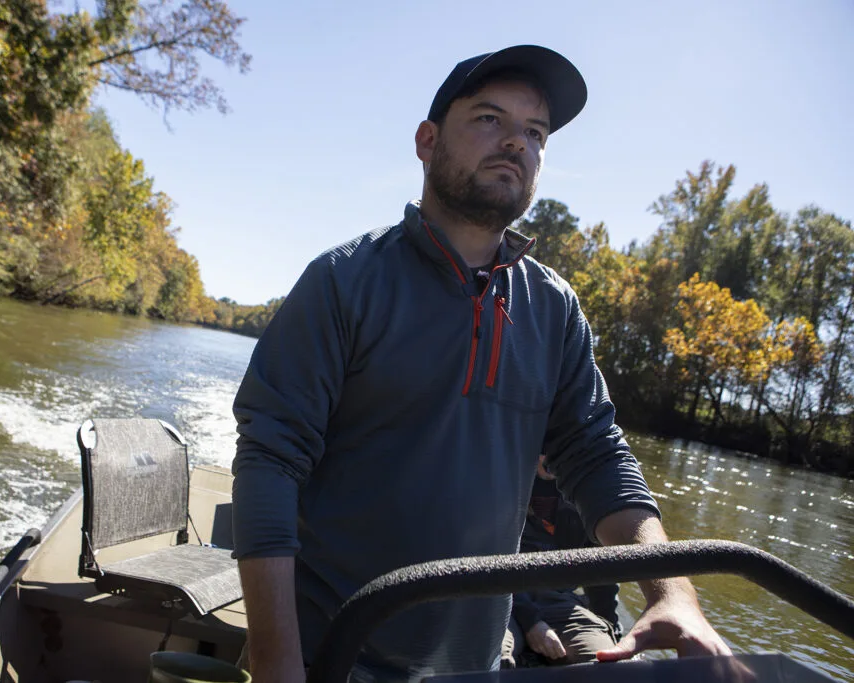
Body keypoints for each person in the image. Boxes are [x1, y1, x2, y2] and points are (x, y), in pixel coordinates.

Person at [231, 45, 731, 683]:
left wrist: (673, 596)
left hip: (476, 669)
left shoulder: (554, 309)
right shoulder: (342, 282)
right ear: (427, 140)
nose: (516, 144)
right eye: (490, 119)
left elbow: (598, 456)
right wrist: (277, 666)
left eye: (535, 132)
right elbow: (270, 462)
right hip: (330, 659)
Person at [509, 455, 623, 666]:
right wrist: (531, 622)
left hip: (558, 602)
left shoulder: (587, 491)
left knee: (605, 663)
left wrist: (615, 633)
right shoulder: (502, 476)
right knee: (497, 658)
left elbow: (600, 573)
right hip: (497, 598)